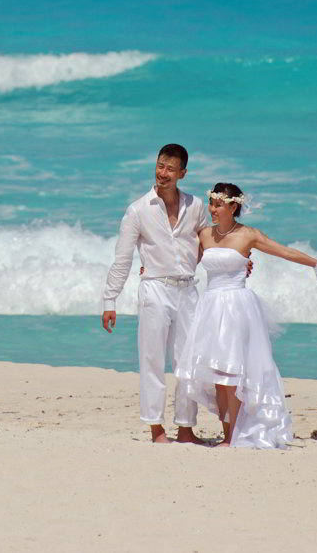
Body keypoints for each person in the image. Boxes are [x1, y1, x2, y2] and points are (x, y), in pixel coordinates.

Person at [174, 182, 317, 448]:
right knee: (217, 377)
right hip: (210, 307)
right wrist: (152, 268)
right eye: (211, 204)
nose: (212, 209)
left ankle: (233, 436)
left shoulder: (249, 235)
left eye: (218, 205)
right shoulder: (203, 234)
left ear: (233, 207)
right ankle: (228, 434)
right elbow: (181, 259)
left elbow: (285, 251)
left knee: (232, 374)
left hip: (237, 307)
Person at [101, 144, 208, 444]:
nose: (163, 173)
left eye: (170, 169)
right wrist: (110, 300)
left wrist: (238, 261)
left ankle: (186, 428)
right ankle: (156, 429)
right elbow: (122, 259)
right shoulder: (138, 209)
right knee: (152, 361)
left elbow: (208, 244)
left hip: (188, 290)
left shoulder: (196, 206)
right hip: (155, 289)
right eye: (160, 166)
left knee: (188, 362)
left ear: (182, 174)